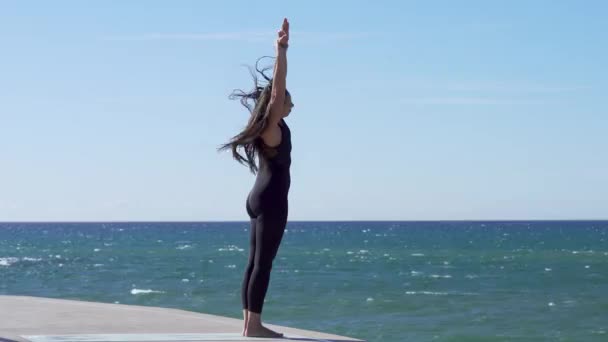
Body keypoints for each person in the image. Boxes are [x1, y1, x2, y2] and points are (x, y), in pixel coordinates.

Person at [218, 18, 294, 338]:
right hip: (271, 200)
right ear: (276, 105)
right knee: (263, 264)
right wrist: (281, 50)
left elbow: (275, 95)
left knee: (254, 263)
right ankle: (255, 326)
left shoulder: (267, 128)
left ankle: (250, 324)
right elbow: (277, 90)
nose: (292, 102)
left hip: (258, 197)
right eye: (288, 99)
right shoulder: (272, 126)